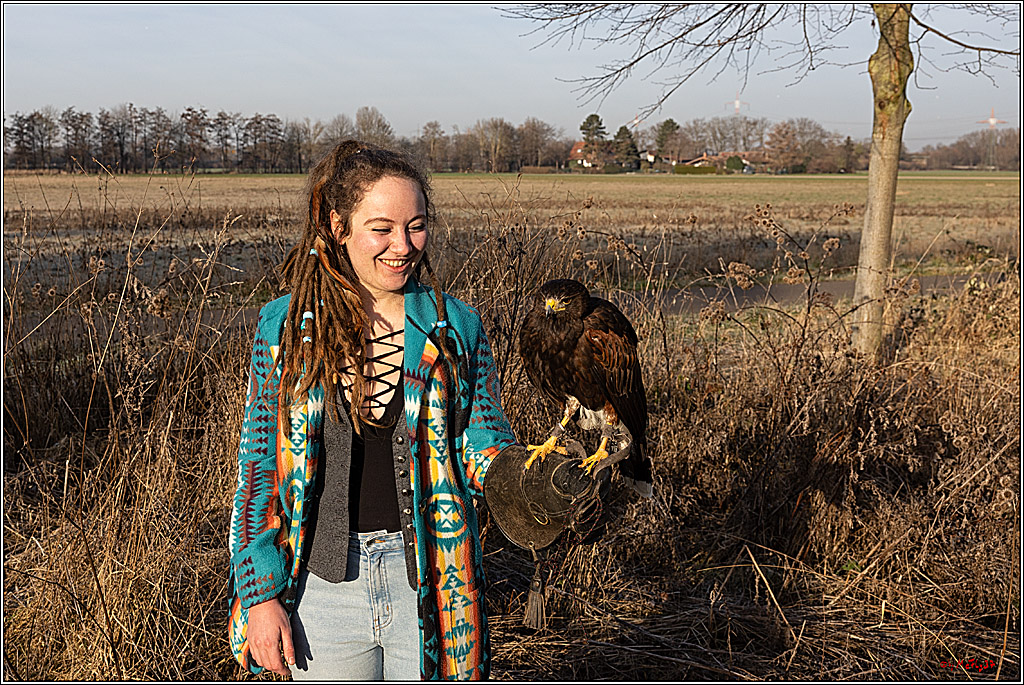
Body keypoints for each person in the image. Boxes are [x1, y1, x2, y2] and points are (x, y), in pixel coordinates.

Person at [227, 141, 518, 680]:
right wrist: (259, 593)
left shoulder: (455, 328)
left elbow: (482, 438)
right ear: (339, 227)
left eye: (416, 226)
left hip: (434, 586)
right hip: (319, 591)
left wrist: (524, 480)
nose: (402, 246)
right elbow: (259, 471)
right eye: (382, 228)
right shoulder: (286, 329)